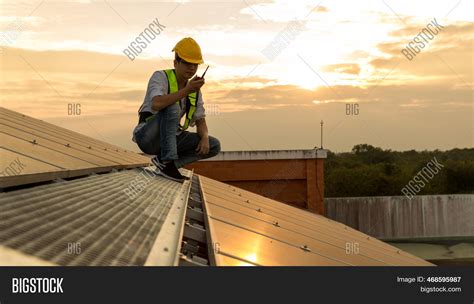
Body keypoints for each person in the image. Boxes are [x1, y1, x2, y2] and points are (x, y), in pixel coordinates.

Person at [132, 37, 221, 182]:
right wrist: (186, 90)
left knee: (214, 145)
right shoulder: (160, 77)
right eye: (187, 63)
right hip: (148, 136)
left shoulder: (194, 90)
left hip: (172, 138)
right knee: (172, 107)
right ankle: (167, 162)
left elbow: (201, 121)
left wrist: (204, 137)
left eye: (195, 65)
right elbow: (156, 104)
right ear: (175, 63)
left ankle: (166, 164)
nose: (192, 68)